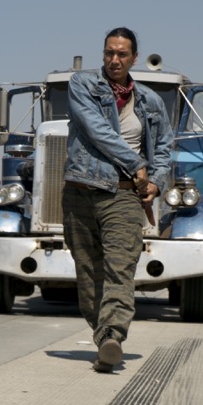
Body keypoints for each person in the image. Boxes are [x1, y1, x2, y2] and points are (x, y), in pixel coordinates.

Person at [62, 27, 174, 373]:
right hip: (80, 190)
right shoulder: (83, 85)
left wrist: (154, 180)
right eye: (109, 53)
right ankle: (103, 336)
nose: (115, 60)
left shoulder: (151, 102)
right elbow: (96, 130)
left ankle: (113, 336)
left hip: (125, 196)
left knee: (120, 268)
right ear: (103, 54)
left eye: (122, 54)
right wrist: (136, 163)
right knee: (88, 272)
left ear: (134, 58)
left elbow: (166, 145)